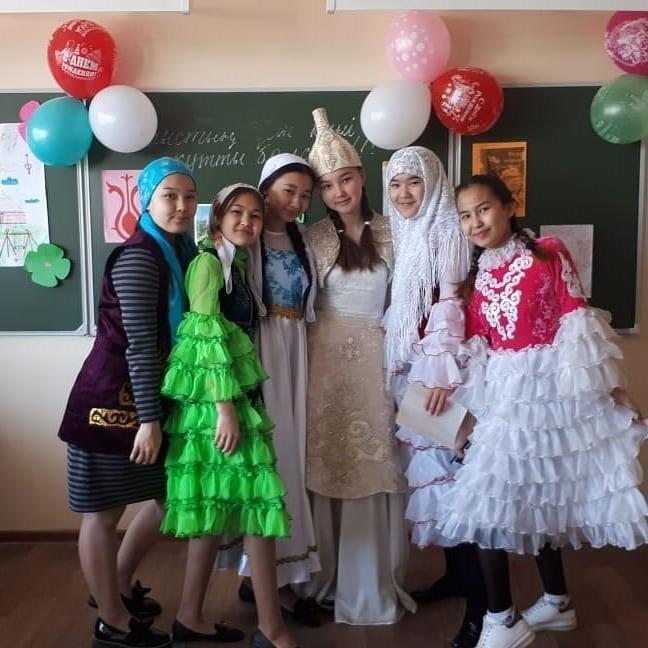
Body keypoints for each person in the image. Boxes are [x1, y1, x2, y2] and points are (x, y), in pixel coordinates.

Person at [437, 174, 648, 648]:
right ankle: (556, 602)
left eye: (484, 209)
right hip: (505, 401)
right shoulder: (477, 277)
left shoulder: (548, 252)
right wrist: (468, 421)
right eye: (465, 216)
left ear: (509, 207)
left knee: (516, 500)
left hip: (551, 396)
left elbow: (577, 319)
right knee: (508, 499)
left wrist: (614, 390)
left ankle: (503, 620)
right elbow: (480, 353)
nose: (475, 222)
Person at [58, 157, 199, 648]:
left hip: (150, 398)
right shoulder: (141, 256)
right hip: (110, 405)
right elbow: (140, 345)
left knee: (170, 498)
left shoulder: (179, 251)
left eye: (189, 196)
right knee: (103, 512)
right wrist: (149, 420)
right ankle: (112, 621)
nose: (181, 206)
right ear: (146, 200)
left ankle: (115, 585)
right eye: (169, 196)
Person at [160, 183, 299, 648]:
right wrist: (225, 411)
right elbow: (203, 339)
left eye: (255, 215)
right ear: (217, 216)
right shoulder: (206, 264)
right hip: (219, 407)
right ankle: (271, 627)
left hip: (236, 398)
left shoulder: (234, 262)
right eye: (237, 212)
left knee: (214, 512)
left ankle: (189, 616)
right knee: (258, 508)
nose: (247, 222)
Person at [300, 107, 415, 625]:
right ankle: (321, 578)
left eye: (345, 179)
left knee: (373, 463)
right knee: (327, 465)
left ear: (363, 178)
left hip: (378, 361)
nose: (338, 192)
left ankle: (368, 583)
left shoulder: (396, 233)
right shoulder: (312, 239)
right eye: (326, 186)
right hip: (323, 364)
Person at [384, 146, 485, 648]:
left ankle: (484, 609)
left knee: (454, 484)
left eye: (414, 182)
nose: (404, 193)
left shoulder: (447, 230)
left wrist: (441, 376)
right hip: (413, 369)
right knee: (435, 479)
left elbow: (450, 303)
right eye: (396, 184)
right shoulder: (405, 231)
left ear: (434, 184)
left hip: (439, 373)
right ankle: (457, 577)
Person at [236, 154, 321, 626]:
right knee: (271, 460)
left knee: (293, 459)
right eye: (289, 190)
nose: (297, 202)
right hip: (261, 352)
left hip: (296, 353)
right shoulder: (242, 241)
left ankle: (275, 577)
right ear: (265, 188)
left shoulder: (302, 240)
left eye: (305, 195)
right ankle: (267, 580)